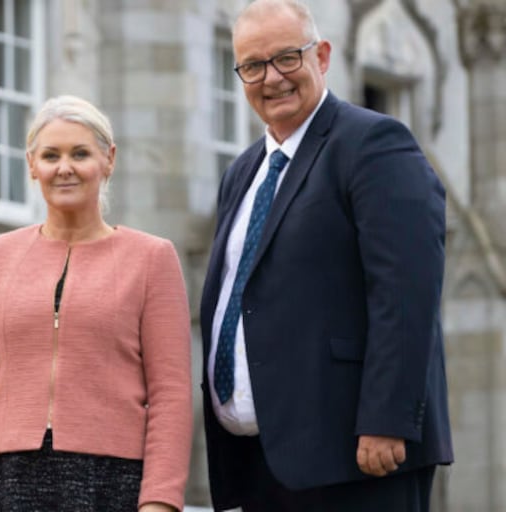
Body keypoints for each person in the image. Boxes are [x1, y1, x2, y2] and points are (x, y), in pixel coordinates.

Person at [199, 1, 453, 510]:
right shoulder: (242, 172)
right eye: (253, 65)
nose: (272, 78)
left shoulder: (374, 143)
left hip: (357, 457)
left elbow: (406, 293)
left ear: (322, 56)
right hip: (264, 462)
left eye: (286, 57)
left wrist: (387, 419)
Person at [0, 95, 193, 512]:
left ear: (109, 160)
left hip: (113, 482)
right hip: (10, 479)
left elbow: (171, 394)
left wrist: (160, 502)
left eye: (80, 154)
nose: (64, 168)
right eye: (50, 155)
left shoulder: (152, 258)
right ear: (31, 164)